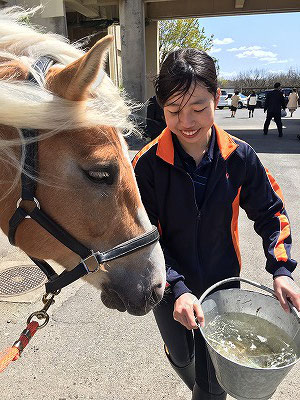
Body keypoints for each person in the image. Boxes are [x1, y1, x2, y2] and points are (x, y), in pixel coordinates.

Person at [132, 48, 299, 400]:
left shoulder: (239, 157)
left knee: (212, 383)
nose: (187, 122)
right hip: (168, 287)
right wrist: (178, 289)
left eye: (198, 108)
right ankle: (185, 362)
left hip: (223, 284)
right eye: (174, 111)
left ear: (218, 98)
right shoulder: (146, 165)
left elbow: (272, 213)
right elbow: (145, 238)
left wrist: (281, 269)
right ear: (161, 106)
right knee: (183, 357)